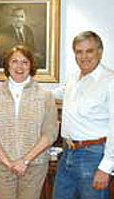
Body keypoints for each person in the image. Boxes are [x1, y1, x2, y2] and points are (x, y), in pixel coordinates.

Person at [0, 45, 58, 199]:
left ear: (31, 66)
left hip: (34, 166)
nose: (19, 66)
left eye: (25, 62)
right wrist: (8, 162)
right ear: (7, 65)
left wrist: (25, 160)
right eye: (14, 61)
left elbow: (50, 133)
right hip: (1, 166)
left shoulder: (45, 96)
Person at [52, 31, 114, 199]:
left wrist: (106, 168)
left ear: (100, 52)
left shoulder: (110, 81)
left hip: (94, 156)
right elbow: (58, 94)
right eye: (79, 51)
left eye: (89, 51)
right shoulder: (74, 77)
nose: (84, 56)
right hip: (67, 154)